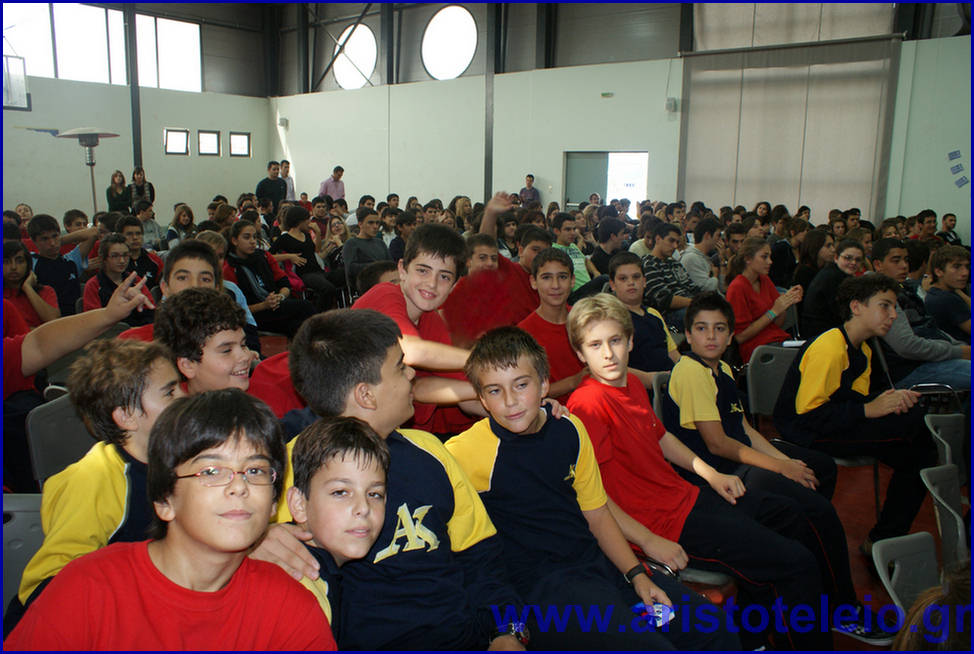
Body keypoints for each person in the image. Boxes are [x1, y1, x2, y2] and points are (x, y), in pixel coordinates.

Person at [565, 293, 833, 650]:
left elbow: (661, 438)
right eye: (595, 345)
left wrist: (711, 475)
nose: (608, 354)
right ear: (580, 354)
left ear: (630, 342)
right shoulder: (588, 405)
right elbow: (592, 498)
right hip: (661, 525)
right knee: (796, 564)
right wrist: (647, 540)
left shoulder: (630, 383)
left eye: (615, 341)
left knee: (789, 518)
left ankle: (753, 639)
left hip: (685, 498)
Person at [447, 326, 738, 651]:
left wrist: (637, 575)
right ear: (482, 399)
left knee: (713, 628)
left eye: (521, 385)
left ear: (544, 385)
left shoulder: (569, 429)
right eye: (494, 390)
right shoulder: (465, 451)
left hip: (598, 566)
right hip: (545, 590)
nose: (510, 400)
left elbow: (597, 514)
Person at [256, 310, 526, 650]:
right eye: (400, 367)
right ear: (366, 395)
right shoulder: (287, 476)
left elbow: (483, 560)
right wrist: (250, 543)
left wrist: (508, 632)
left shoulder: (430, 451)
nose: (412, 373)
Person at [4, 389, 337, 650]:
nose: (239, 486)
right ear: (165, 500)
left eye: (255, 470)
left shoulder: (290, 608)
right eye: (211, 471)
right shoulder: (88, 591)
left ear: (273, 503)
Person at [661, 291, 890, 644]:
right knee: (818, 514)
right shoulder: (691, 371)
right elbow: (719, 444)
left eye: (719, 328)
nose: (711, 336)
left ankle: (807, 587)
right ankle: (840, 607)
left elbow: (744, 430)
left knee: (817, 468)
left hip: (736, 463)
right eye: (702, 328)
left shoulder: (722, 370)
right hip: (717, 478)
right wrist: (780, 469)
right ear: (688, 335)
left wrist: (785, 462)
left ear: (730, 334)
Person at [6, 339, 184, 633]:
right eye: (170, 391)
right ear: (126, 416)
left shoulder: (177, 459)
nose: (184, 396)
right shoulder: (93, 481)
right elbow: (52, 584)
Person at [773, 275, 938, 552]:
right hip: (806, 431)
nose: (893, 315)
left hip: (834, 420)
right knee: (917, 445)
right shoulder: (830, 346)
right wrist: (870, 408)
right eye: (885, 306)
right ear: (857, 307)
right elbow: (808, 414)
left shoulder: (863, 349)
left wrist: (888, 401)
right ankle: (882, 540)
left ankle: (884, 539)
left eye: (894, 307)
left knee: (914, 433)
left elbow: (853, 401)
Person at [352, 224, 482, 436]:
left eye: (444, 276)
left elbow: (422, 388)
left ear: (454, 285)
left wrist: (503, 394)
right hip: (340, 425)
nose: (432, 284)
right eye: (423, 270)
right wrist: (485, 361)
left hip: (394, 430)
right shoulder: (385, 294)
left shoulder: (432, 321)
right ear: (402, 270)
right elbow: (411, 351)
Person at [284, 416, 389, 637]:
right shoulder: (301, 588)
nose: (363, 508)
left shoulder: (324, 574)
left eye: (374, 494)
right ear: (299, 504)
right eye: (340, 492)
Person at [868, 237, 970, 389]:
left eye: (906, 260)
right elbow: (906, 346)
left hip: (929, 360)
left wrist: (959, 347)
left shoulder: (904, 289)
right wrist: (957, 351)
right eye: (896, 261)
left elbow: (931, 327)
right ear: (878, 265)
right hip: (908, 370)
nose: (904, 266)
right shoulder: (880, 296)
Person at [517, 248, 587, 402]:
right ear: (533, 282)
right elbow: (528, 392)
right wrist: (575, 381)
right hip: (555, 412)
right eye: (546, 277)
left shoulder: (586, 319)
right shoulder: (523, 334)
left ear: (572, 280)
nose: (555, 285)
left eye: (562, 277)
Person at [224, 220, 314, 338]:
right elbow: (237, 310)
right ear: (234, 240)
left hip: (276, 305)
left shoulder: (264, 256)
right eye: (247, 237)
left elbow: (285, 284)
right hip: (253, 314)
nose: (252, 241)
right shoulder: (229, 267)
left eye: (254, 237)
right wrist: (264, 305)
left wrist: (279, 297)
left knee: (297, 325)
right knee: (305, 307)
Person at [724, 237, 801, 363]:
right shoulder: (737, 288)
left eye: (769, 257)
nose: (770, 261)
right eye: (764, 257)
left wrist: (786, 303)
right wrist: (773, 312)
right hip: (757, 351)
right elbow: (740, 337)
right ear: (748, 259)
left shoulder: (764, 280)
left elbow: (776, 324)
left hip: (776, 341)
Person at [608, 252, 680, 379]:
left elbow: (672, 354)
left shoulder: (654, 314)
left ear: (644, 281)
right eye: (623, 279)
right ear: (612, 285)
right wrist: (654, 380)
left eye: (636, 277)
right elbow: (613, 366)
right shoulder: (610, 319)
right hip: (643, 384)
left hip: (672, 379)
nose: (631, 282)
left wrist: (685, 371)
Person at [27, 213, 97, 316]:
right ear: (34, 241)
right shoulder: (31, 262)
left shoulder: (71, 260)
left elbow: (93, 232)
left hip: (76, 319)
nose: (52, 243)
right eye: (45, 239)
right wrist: (55, 241)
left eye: (55, 236)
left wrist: (60, 241)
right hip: (47, 319)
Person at [270, 205, 337, 312]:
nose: (310, 222)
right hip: (305, 274)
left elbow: (316, 249)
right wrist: (289, 256)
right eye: (307, 219)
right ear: (300, 221)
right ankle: (318, 316)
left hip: (319, 271)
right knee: (328, 289)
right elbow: (268, 256)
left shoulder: (306, 234)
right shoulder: (284, 238)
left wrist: (318, 233)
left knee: (344, 275)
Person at [642, 222, 706, 331]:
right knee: (704, 316)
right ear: (658, 239)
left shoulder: (675, 263)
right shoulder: (649, 264)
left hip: (690, 305)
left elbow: (693, 288)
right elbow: (664, 300)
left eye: (677, 242)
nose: (675, 246)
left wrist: (706, 300)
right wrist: (697, 303)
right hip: (670, 315)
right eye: (671, 241)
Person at [83, 234, 155, 326]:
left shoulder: (135, 280)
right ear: (103, 258)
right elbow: (94, 322)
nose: (122, 261)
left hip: (139, 331)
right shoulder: (93, 286)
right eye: (115, 256)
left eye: (125, 255)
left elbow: (150, 311)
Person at [800, 238, 866, 339]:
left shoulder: (837, 273)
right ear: (836, 258)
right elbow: (842, 314)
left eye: (858, 260)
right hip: (820, 335)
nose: (853, 262)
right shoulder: (833, 278)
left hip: (828, 329)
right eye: (848, 258)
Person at [2, 240, 59, 328]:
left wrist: (27, 288)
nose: (13, 267)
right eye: (6, 262)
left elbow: (54, 321)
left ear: (28, 264)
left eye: (19, 261)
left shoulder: (45, 291)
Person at [924, 245, 970, 342]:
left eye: (967, 266)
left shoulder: (936, 293)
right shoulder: (946, 298)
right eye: (956, 267)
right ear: (938, 271)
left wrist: (957, 291)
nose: (965, 273)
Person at [342, 206, 391, 291]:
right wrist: (376, 266)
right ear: (360, 224)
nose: (375, 226)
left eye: (377, 223)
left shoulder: (380, 243)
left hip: (385, 285)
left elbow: (390, 264)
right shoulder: (351, 243)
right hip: (365, 288)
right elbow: (351, 269)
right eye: (370, 223)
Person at [117, 215, 163, 290]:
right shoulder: (115, 263)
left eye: (138, 233)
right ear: (120, 236)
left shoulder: (155, 261)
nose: (135, 238)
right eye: (129, 234)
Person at [680, 217, 725, 293]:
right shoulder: (691, 258)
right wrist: (715, 275)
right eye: (718, 235)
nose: (720, 240)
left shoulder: (704, 257)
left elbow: (723, 288)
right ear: (707, 235)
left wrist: (722, 260)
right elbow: (707, 289)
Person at [769, 217, 810, 288]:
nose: (806, 233)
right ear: (792, 232)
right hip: (780, 287)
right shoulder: (780, 247)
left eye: (806, 230)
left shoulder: (802, 249)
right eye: (802, 230)